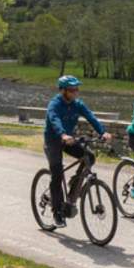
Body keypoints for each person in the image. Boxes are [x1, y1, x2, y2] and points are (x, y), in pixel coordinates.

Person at [43, 75, 106, 222]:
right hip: (53, 140)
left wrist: (103, 132)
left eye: (77, 89)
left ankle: (75, 183)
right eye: (72, 89)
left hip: (68, 140)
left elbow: (91, 117)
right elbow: (54, 120)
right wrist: (63, 134)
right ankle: (57, 212)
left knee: (89, 157)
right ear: (63, 91)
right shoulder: (55, 104)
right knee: (57, 174)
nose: (75, 92)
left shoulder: (78, 104)